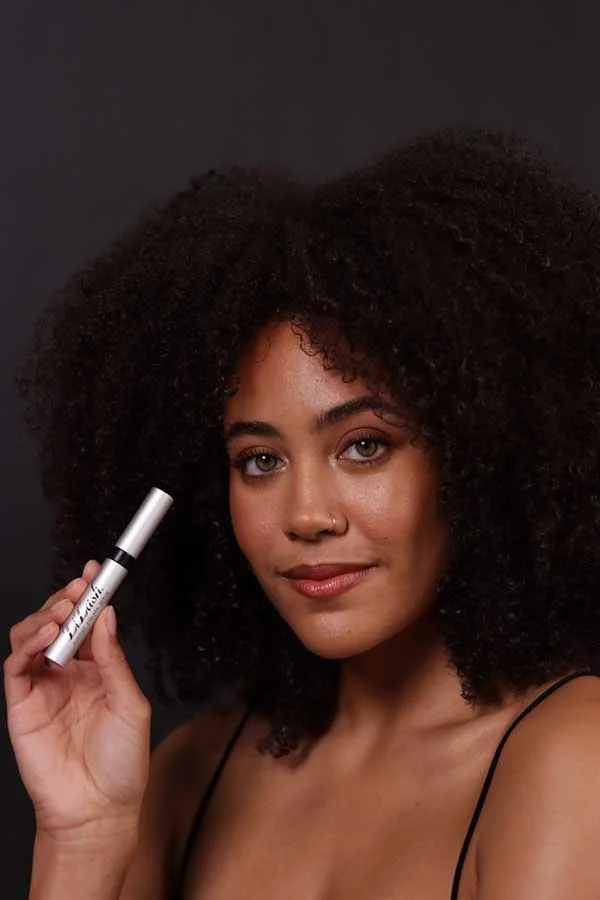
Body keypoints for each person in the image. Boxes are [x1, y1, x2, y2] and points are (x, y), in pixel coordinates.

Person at [5, 124, 600, 900]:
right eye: (260, 460)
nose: (306, 515)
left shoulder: (571, 757)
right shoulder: (188, 773)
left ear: (480, 454)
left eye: (363, 446)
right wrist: (80, 838)